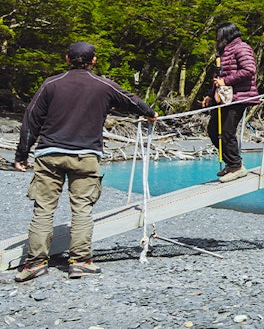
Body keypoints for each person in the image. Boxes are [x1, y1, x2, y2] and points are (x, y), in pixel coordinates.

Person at [12, 41, 157, 282]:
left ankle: (35, 263)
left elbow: (31, 119)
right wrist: (150, 113)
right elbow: (131, 101)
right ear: (93, 61)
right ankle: (80, 262)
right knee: (82, 209)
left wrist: (21, 154)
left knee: (43, 210)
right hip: (86, 156)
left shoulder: (51, 84)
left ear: (67, 59)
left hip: (49, 155)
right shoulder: (104, 85)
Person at [205, 22, 260, 182]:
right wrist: (210, 94)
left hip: (238, 97)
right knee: (213, 130)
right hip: (222, 98)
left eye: (219, 34)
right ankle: (232, 163)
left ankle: (236, 166)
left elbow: (249, 69)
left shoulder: (242, 47)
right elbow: (218, 77)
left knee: (227, 132)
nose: (217, 38)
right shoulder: (224, 51)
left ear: (227, 34)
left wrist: (226, 81)